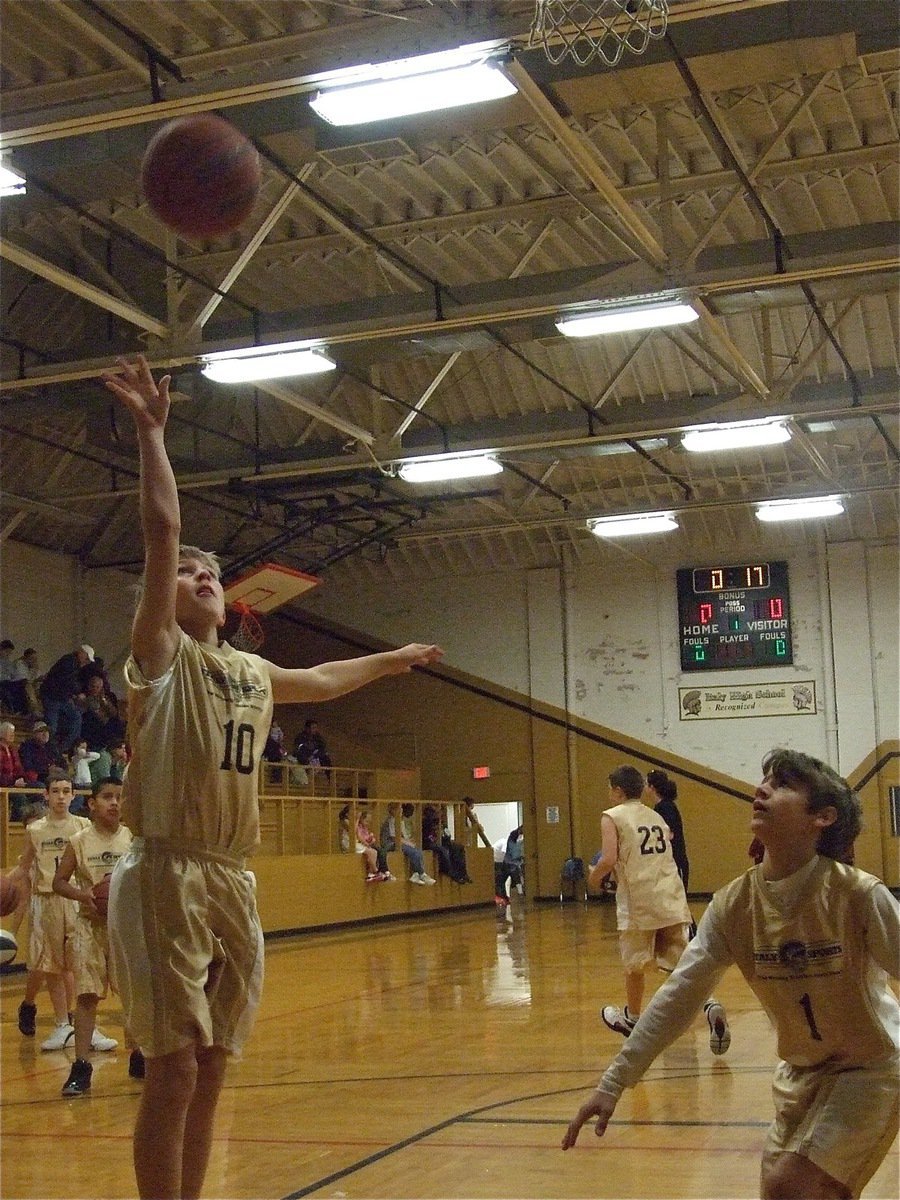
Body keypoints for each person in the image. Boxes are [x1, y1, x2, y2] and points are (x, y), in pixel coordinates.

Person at [101, 353, 441, 1200]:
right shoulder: (161, 655)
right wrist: (151, 433)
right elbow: (160, 532)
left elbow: (322, 680)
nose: (200, 575)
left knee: (215, 1065)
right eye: (189, 573)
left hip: (230, 874)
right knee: (173, 1069)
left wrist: (391, 660)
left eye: (212, 572)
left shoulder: (250, 672)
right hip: (166, 867)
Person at [563, 749, 899, 1200]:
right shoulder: (734, 905)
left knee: (790, 1186)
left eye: (782, 784)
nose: (762, 788)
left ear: (821, 816)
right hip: (798, 1073)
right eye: (764, 779)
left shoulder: (858, 895)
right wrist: (613, 1081)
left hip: (869, 1069)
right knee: (787, 1194)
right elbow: (680, 995)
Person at [589, 766, 728, 1053]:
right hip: (671, 897)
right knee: (681, 967)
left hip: (639, 901)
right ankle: (710, 1005)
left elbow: (609, 857)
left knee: (634, 965)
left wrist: (594, 878)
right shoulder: (656, 816)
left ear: (617, 791)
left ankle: (632, 1017)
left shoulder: (612, 816)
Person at [52, 777, 142, 1096]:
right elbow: (59, 882)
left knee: (134, 994)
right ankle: (81, 1066)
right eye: (107, 797)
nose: (115, 803)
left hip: (126, 926)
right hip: (90, 927)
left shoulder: (133, 839)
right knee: (87, 995)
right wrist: (83, 894)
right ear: (91, 804)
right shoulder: (79, 841)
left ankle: (139, 1054)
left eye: (119, 797)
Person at [8, 769, 93, 1050]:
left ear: (73, 795)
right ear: (46, 795)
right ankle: (61, 1024)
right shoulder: (35, 830)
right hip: (46, 900)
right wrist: (7, 881)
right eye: (55, 791)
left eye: (66, 791)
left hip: (75, 899)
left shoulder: (83, 826)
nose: (61, 797)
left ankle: (82, 1026)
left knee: (79, 964)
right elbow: (23, 867)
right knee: (53, 966)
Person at [644, 767, 728, 1049]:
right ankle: (704, 1002)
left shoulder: (664, 809)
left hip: (672, 870)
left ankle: (653, 1018)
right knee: (678, 933)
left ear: (652, 786)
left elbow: (667, 840)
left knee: (675, 937)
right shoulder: (664, 807)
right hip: (672, 873)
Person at [38, 644, 94, 750]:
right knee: (52, 726)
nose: (86, 662)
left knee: (73, 718)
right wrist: (77, 692)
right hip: (53, 697)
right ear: (81, 653)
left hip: (60, 697)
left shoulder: (71, 662)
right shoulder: (69, 662)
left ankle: (59, 748)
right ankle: (52, 749)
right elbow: (67, 681)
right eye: (86, 658)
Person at [645, 769, 689, 890]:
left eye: (646, 783)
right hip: (666, 864)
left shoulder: (667, 808)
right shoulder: (660, 807)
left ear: (652, 787)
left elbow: (670, 834)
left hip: (675, 862)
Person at [380, 803, 436, 885]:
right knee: (412, 851)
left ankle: (416, 874)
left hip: (400, 842)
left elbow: (404, 836)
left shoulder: (401, 821)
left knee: (418, 850)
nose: (401, 811)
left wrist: (410, 841)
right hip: (390, 843)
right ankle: (421, 873)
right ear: (392, 811)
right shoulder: (391, 820)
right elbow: (394, 837)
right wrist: (408, 843)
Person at [356, 807, 393, 881]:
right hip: (360, 844)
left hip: (366, 844)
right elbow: (359, 837)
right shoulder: (358, 827)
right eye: (366, 821)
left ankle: (373, 873)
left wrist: (371, 839)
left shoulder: (365, 828)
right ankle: (377, 871)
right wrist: (366, 843)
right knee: (374, 851)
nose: (368, 823)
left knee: (379, 851)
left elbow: (367, 838)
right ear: (361, 820)